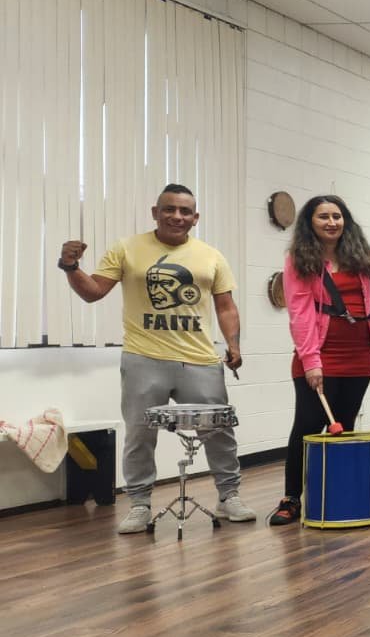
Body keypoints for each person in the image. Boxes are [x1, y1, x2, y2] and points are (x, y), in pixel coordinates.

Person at [58, 183, 255, 533]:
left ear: (195, 217)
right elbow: (93, 292)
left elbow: (226, 307)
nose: (176, 216)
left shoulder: (211, 256)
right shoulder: (127, 248)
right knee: (139, 434)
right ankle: (139, 504)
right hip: (144, 357)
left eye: (184, 211)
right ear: (155, 213)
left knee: (218, 430)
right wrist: (70, 266)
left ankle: (228, 497)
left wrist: (234, 345)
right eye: (169, 209)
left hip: (200, 359)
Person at [273, 195, 370, 526]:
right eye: (324, 216)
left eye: (337, 216)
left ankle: (335, 494)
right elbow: (300, 312)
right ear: (310, 222)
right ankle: (291, 498)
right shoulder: (300, 260)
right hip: (321, 354)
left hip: (360, 354)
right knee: (307, 425)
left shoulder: (358, 257)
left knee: (344, 426)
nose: (332, 222)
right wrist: (311, 361)